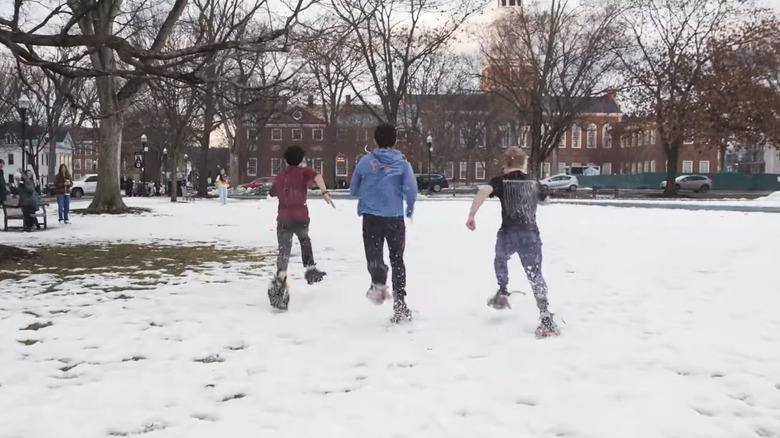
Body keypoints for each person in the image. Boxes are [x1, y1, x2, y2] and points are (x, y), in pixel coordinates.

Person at [465, 147, 560, 338]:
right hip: (530, 235)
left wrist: (472, 215)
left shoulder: (500, 181)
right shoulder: (534, 182)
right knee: (535, 274)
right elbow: (546, 200)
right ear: (523, 163)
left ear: (505, 164)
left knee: (500, 259)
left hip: (508, 233)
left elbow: (483, 191)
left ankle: (502, 291)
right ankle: (545, 314)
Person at [350, 123, 417, 324]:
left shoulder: (364, 162)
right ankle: (401, 304)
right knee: (398, 258)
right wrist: (410, 206)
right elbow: (411, 189)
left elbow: (354, 189)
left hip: (371, 217)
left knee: (373, 254)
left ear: (375, 141)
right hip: (395, 217)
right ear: (395, 141)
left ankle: (378, 281)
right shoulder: (403, 164)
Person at [267, 146, 334, 311]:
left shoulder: (281, 176)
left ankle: (280, 280)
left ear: (285, 160)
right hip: (300, 217)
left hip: (283, 219)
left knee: (284, 251)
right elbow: (317, 176)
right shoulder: (304, 172)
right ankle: (310, 268)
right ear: (302, 159)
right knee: (305, 239)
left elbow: (273, 192)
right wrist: (324, 192)